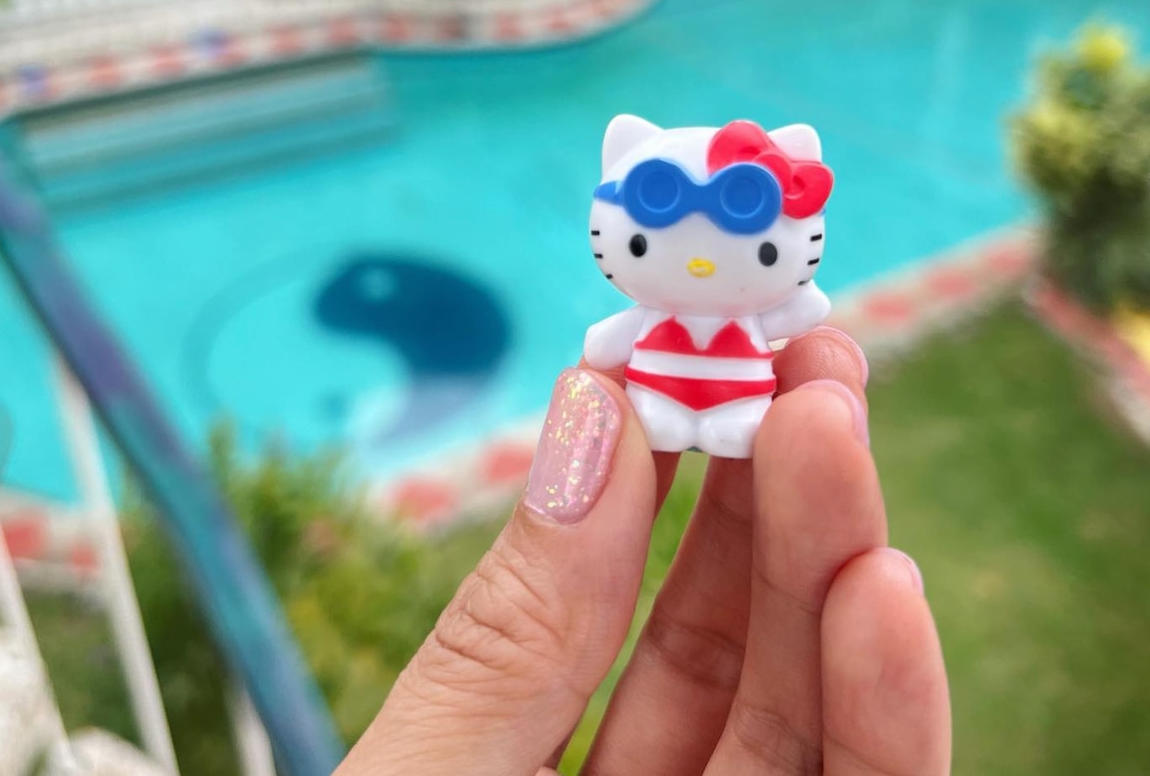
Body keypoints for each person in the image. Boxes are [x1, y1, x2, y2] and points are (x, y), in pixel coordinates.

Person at [338, 327, 952, 775]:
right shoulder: (662, 315)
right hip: (658, 395)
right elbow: (618, 338)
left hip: (731, 404)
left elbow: (790, 316)